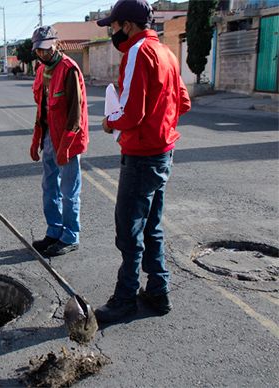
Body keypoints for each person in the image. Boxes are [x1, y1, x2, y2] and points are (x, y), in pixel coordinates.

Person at [94, 0, 191, 323]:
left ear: (128, 25)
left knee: (129, 230)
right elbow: (184, 103)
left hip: (141, 155)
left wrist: (110, 121)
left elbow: (131, 112)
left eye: (114, 25)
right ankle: (158, 291)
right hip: (163, 152)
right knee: (152, 226)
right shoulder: (167, 53)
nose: (112, 32)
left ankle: (125, 299)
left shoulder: (138, 52)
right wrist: (161, 121)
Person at [29, 25, 89, 257]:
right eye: (39, 50)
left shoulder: (69, 70)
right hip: (48, 137)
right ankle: (54, 230)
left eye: (46, 49)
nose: (43, 54)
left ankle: (70, 235)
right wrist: (36, 141)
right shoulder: (41, 70)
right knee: (49, 186)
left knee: (68, 190)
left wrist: (66, 146)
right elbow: (41, 110)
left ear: (57, 44)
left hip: (67, 138)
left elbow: (76, 115)